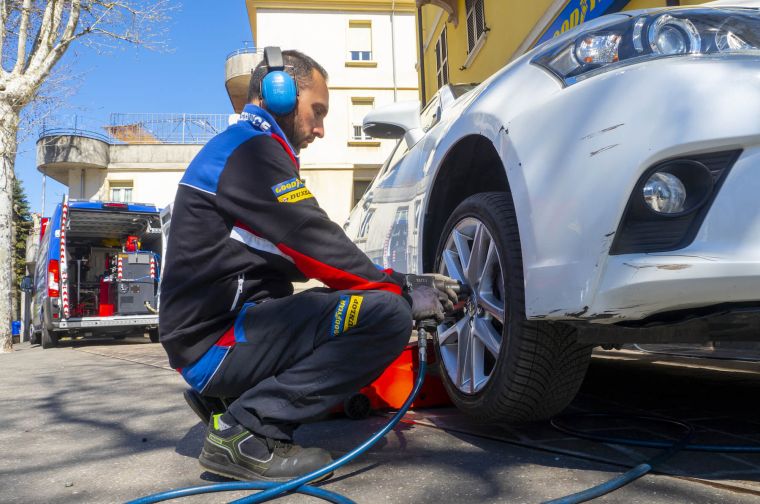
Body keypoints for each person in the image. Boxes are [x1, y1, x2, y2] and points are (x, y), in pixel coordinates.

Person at [159, 48, 456, 482]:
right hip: (216, 344)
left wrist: (374, 283)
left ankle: (231, 401)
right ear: (279, 95)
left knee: (339, 303)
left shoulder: (244, 148)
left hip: (215, 334)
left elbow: (303, 254)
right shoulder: (251, 152)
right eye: (316, 111)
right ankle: (248, 433)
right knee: (385, 315)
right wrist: (402, 288)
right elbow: (313, 241)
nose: (319, 129)